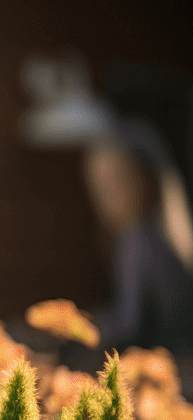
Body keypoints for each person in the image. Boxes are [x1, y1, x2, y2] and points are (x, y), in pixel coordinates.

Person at [83, 119, 193, 354]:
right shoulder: (169, 237)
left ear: (145, 180)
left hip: (166, 363)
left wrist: (83, 327)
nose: (108, 201)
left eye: (117, 185)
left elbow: (129, 326)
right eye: (100, 189)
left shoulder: (138, 242)